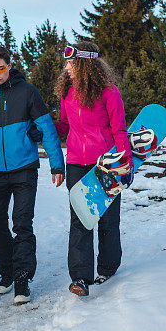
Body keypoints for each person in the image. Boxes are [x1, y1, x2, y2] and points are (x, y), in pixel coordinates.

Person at [0, 46, 65, 305]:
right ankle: (7, 272)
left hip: (25, 170)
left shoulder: (27, 92)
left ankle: (22, 279)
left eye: (0, 68)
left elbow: (46, 127)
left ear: (9, 65)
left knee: (22, 223)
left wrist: (57, 164)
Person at [54, 41, 131, 297]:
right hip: (76, 163)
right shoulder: (67, 93)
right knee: (80, 221)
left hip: (106, 163)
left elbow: (119, 130)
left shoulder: (110, 93)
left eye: (70, 63)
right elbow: (65, 127)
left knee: (108, 219)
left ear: (84, 64)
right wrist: (47, 130)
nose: (66, 68)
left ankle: (108, 266)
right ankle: (80, 277)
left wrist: (125, 164)